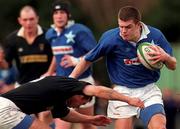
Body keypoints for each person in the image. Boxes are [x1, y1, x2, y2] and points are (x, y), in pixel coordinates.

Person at [70, 6, 177, 129]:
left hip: (148, 90)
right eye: (121, 26)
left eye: (128, 27)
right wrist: (70, 79)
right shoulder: (110, 38)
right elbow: (87, 59)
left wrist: (166, 58)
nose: (123, 31)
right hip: (122, 91)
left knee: (159, 127)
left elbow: (173, 65)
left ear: (138, 25)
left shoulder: (155, 36)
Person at [0, 76, 144, 129]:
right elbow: (99, 91)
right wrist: (128, 99)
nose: (77, 107)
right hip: (6, 109)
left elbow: (65, 115)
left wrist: (91, 119)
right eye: (81, 103)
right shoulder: (67, 84)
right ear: (80, 93)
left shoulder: (60, 97)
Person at [43, 1, 97, 129]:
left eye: (62, 12)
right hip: (62, 85)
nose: (59, 16)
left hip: (82, 83)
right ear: (53, 16)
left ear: (68, 15)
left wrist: (77, 61)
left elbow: (96, 52)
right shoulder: (50, 33)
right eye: (56, 13)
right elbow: (57, 56)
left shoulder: (80, 30)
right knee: (61, 126)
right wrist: (49, 73)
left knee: (87, 125)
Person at [0, 5, 53, 85]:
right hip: (22, 85)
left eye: (31, 19)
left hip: (46, 84)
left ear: (37, 19)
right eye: (25, 20)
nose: (28, 23)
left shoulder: (49, 35)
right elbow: (7, 66)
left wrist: (50, 73)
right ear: (19, 20)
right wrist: (1, 61)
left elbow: (57, 58)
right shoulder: (12, 39)